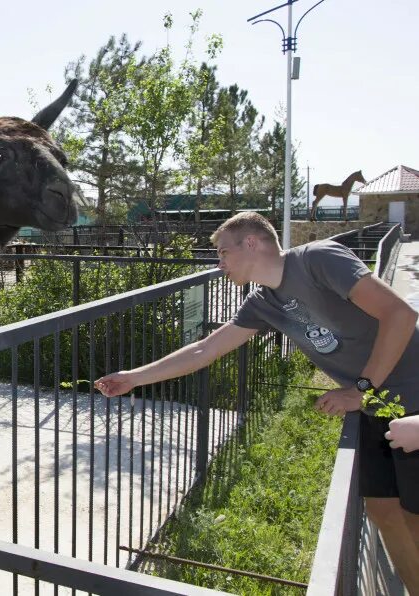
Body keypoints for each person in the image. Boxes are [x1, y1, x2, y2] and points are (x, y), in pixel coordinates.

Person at [95, 212, 419, 590]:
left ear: (251, 243)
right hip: (372, 405)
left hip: (409, 397)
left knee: (414, 515)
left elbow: (400, 313)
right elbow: (204, 350)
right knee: (384, 511)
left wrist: (359, 388)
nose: (220, 264)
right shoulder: (264, 302)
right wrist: (134, 378)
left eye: (223, 253)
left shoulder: (319, 259)